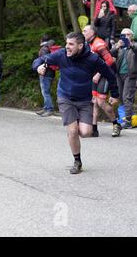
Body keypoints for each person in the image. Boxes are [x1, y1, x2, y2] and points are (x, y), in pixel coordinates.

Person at [32, 32, 120, 174]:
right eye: (66, 43)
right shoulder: (61, 55)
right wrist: (38, 67)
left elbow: (110, 75)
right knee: (72, 131)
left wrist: (115, 95)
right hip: (65, 98)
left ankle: (77, 122)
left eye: (71, 44)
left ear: (80, 45)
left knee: (86, 133)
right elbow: (40, 59)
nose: (67, 47)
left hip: (84, 100)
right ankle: (77, 161)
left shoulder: (92, 59)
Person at [82, 25, 121, 137]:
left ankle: (116, 124)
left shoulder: (99, 44)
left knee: (101, 102)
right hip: (95, 75)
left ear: (92, 33)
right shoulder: (88, 44)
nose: (83, 32)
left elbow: (110, 60)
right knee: (94, 101)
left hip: (105, 74)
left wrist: (99, 74)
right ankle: (94, 129)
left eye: (85, 31)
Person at [110, 28, 137, 129]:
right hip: (119, 74)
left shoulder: (135, 46)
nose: (125, 36)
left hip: (130, 75)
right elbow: (110, 54)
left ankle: (129, 121)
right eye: (123, 35)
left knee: (127, 98)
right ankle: (123, 118)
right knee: (120, 97)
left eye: (128, 34)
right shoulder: (119, 47)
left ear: (132, 36)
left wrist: (130, 45)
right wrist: (116, 46)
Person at [36, 36, 60, 117]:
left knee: (45, 92)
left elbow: (45, 60)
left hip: (45, 73)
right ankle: (45, 107)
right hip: (51, 72)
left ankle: (49, 109)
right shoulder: (49, 48)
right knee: (45, 91)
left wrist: (42, 68)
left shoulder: (44, 49)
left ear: (41, 40)